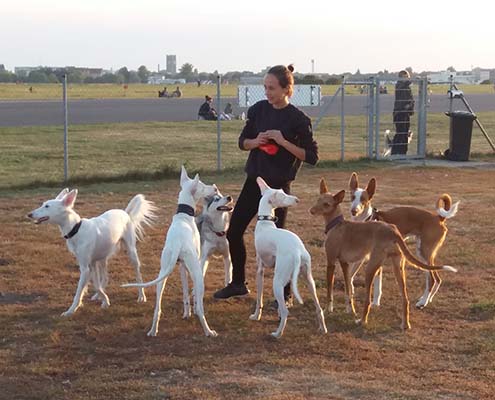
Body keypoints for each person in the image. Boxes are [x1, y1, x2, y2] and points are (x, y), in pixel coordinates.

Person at [213, 64, 318, 302]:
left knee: (280, 243)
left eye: (271, 88)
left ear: (286, 89)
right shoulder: (258, 110)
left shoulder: (299, 119)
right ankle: (238, 283)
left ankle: (285, 295)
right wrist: (255, 141)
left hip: (278, 189)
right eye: (265, 87)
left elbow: (311, 156)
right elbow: (243, 142)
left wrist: (282, 141)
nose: (267, 92)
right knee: (235, 230)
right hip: (255, 182)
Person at [391, 70, 415, 155]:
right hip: (399, 112)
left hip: (406, 112)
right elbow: (403, 86)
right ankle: (395, 152)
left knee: (405, 133)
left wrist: (410, 106)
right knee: (400, 133)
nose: (405, 78)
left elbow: (410, 98)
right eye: (403, 77)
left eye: (406, 76)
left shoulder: (407, 87)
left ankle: (403, 153)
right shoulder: (399, 85)